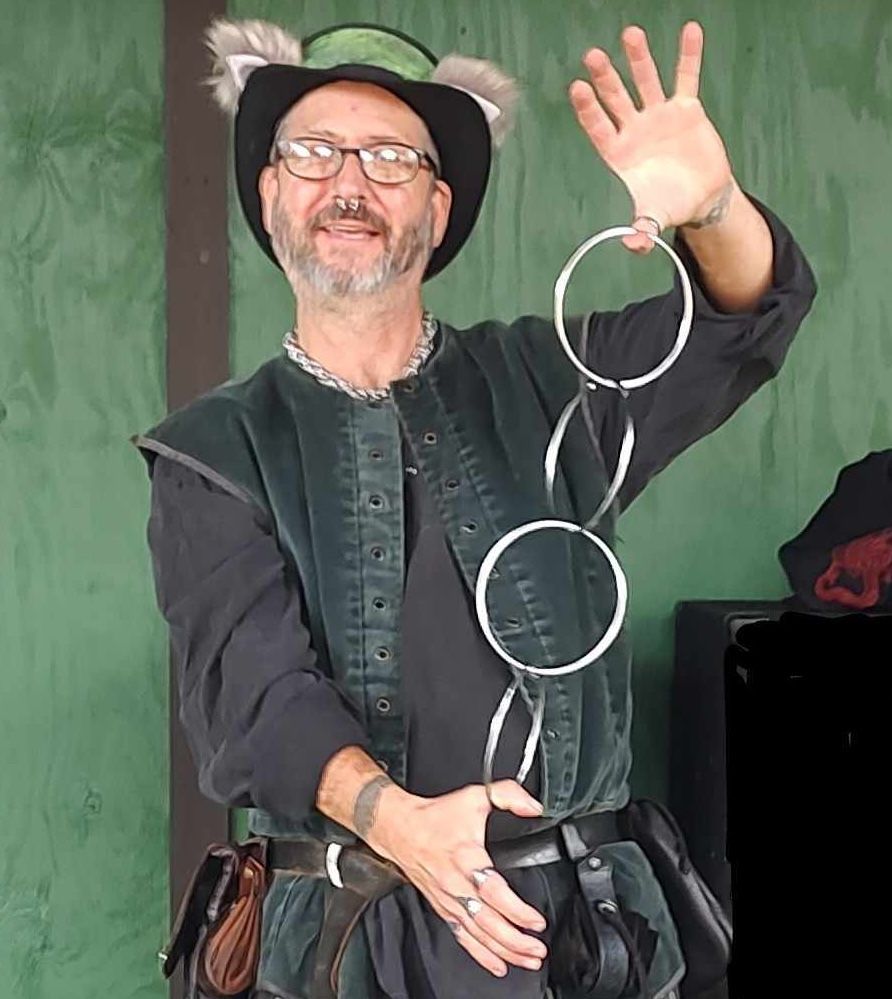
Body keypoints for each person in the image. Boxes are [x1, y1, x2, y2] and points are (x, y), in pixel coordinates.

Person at [136, 16, 816, 999]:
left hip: (583, 939)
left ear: (439, 203)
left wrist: (712, 207)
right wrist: (398, 824)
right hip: (347, 949)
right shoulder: (209, 453)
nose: (349, 183)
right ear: (272, 192)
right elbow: (257, 701)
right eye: (315, 152)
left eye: (390, 158)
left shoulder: (548, 381)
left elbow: (737, 320)